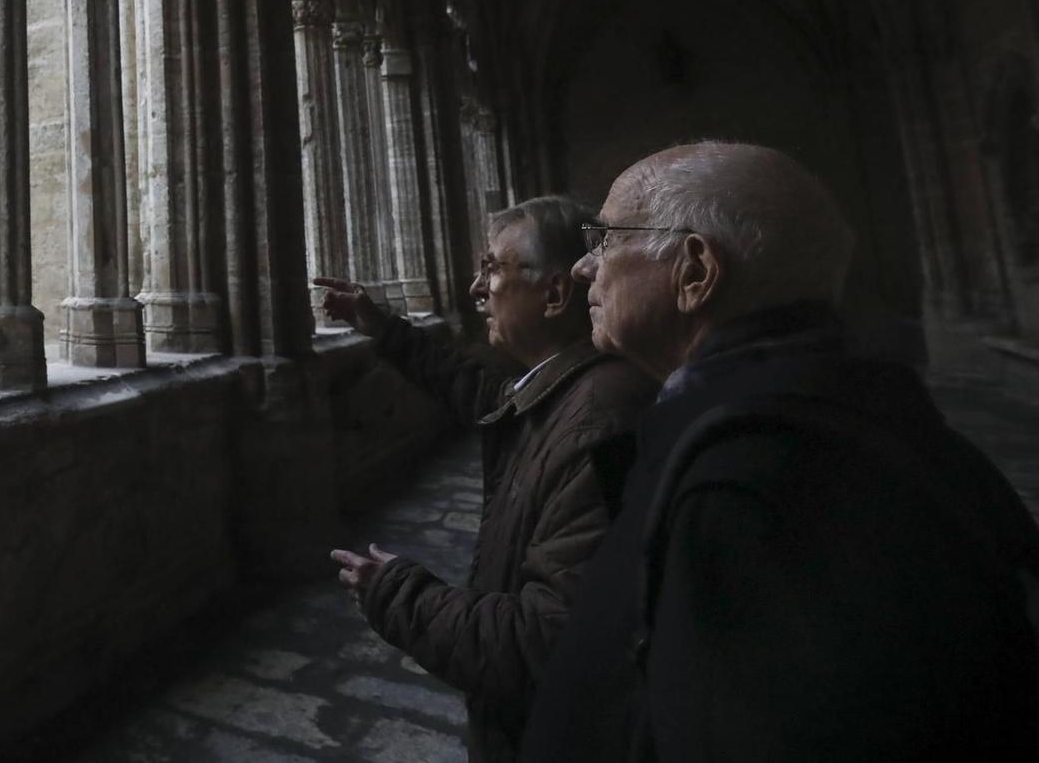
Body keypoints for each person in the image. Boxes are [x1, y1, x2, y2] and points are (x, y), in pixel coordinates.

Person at [520, 141, 1039, 763]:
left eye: (605, 238)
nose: (583, 267)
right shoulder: (845, 415)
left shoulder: (757, 495)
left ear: (694, 272)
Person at [318, 195, 656, 763]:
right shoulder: (565, 388)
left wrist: (399, 593)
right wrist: (383, 328)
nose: (477, 289)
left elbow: (549, 642)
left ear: (554, 294)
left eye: (492, 268)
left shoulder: (601, 418)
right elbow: (478, 393)